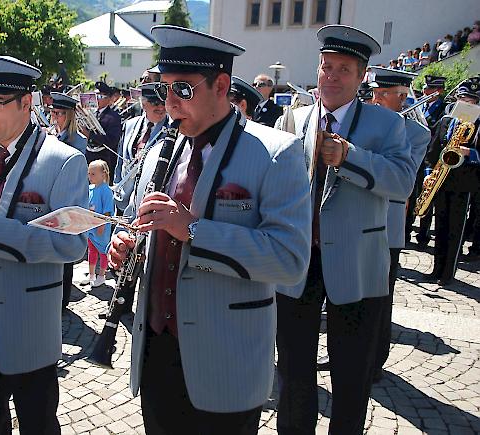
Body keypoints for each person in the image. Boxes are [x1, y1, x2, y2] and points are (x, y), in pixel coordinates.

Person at [108, 25, 311, 434]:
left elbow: (291, 261)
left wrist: (194, 230)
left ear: (221, 85)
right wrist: (128, 244)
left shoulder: (277, 153)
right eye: (163, 90)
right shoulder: (158, 153)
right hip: (157, 351)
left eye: (182, 90)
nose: (169, 104)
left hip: (226, 358)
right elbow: (143, 225)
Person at [275, 25, 413, 435]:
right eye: (326, 67)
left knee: (351, 372)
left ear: (361, 77)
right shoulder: (294, 117)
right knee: (294, 367)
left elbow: (403, 182)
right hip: (299, 259)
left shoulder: (386, 125)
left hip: (356, 261)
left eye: (343, 70)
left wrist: (351, 158)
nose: (331, 76)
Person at [0, 53, 88, 434]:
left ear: (27, 102)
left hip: (29, 319)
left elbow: (72, 247)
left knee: (37, 421)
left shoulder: (64, 160)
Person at [369, 67, 431, 381]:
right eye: (374, 93)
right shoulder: (364, 121)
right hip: (356, 222)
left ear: (403, 97)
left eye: (384, 94)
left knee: (381, 295)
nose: (375, 99)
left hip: (388, 224)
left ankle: (375, 361)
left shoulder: (416, 133)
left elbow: (401, 178)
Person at [422, 81, 480, 286]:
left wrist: (470, 153)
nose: (465, 103)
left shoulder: (478, 125)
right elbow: (432, 150)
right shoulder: (446, 121)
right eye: (461, 99)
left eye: (470, 100)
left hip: (464, 183)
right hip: (441, 179)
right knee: (441, 226)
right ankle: (436, 268)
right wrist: (429, 174)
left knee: (455, 228)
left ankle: (448, 272)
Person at [48, 91, 87, 309]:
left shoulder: (78, 140)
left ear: (70, 115)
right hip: (53, 197)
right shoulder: (52, 134)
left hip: (70, 199)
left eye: (60, 113)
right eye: (53, 112)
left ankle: (63, 300)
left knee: (66, 248)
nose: (55, 117)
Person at [114, 83, 168, 213]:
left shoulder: (172, 130)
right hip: (122, 199)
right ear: (143, 104)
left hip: (149, 203)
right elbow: (121, 160)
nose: (161, 107)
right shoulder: (130, 125)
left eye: (164, 102)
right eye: (155, 103)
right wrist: (116, 186)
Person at [415, 75, 447, 246]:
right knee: (416, 194)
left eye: (430, 89)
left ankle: (424, 234)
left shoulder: (444, 109)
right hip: (417, 157)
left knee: (427, 195)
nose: (425, 92)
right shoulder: (420, 107)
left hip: (431, 157)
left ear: (439, 91)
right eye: (425, 88)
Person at [83, 81, 122, 181]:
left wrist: (90, 135)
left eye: (99, 97)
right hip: (88, 156)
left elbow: (112, 141)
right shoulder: (89, 113)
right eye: (94, 96)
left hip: (103, 159)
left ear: (108, 99)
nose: (96, 100)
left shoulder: (114, 117)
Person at [84, 160, 114, 288]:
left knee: (103, 251)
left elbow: (108, 211)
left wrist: (102, 225)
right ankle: (91, 275)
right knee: (91, 250)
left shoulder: (106, 191)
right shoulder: (90, 188)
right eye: (89, 174)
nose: (90, 177)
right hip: (90, 226)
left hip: (101, 226)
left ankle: (101, 276)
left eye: (93, 174)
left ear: (103, 174)